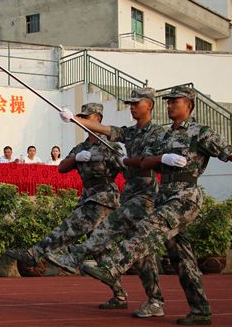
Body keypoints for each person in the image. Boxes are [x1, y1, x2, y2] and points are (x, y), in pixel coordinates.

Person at [81, 86, 232, 326]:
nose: (170, 105)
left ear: (189, 105)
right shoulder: (163, 135)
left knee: (150, 226)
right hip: (165, 194)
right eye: (169, 101)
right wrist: (161, 159)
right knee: (182, 259)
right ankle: (200, 309)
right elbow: (142, 162)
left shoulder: (201, 133)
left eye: (175, 101)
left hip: (185, 197)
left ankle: (112, 266)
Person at [54, 88, 165, 317]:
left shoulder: (157, 134)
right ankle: (143, 297)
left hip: (144, 197)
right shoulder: (127, 133)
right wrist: (73, 121)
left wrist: (132, 161)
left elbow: (134, 163)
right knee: (139, 250)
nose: (132, 107)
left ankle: (80, 259)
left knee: (114, 236)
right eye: (130, 104)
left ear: (150, 105)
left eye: (137, 103)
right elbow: (104, 132)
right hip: (128, 196)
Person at [7, 103, 124, 306]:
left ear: (97, 118)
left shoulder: (109, 145)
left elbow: (125, 167)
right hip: (88, 194)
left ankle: (35, 253)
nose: (82, 120)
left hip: (104, 196)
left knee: (72, 224)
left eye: (86, 117)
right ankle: (120, 293)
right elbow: (62, 167)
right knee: (100, 250)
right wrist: (77, 158)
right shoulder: (81, 147)